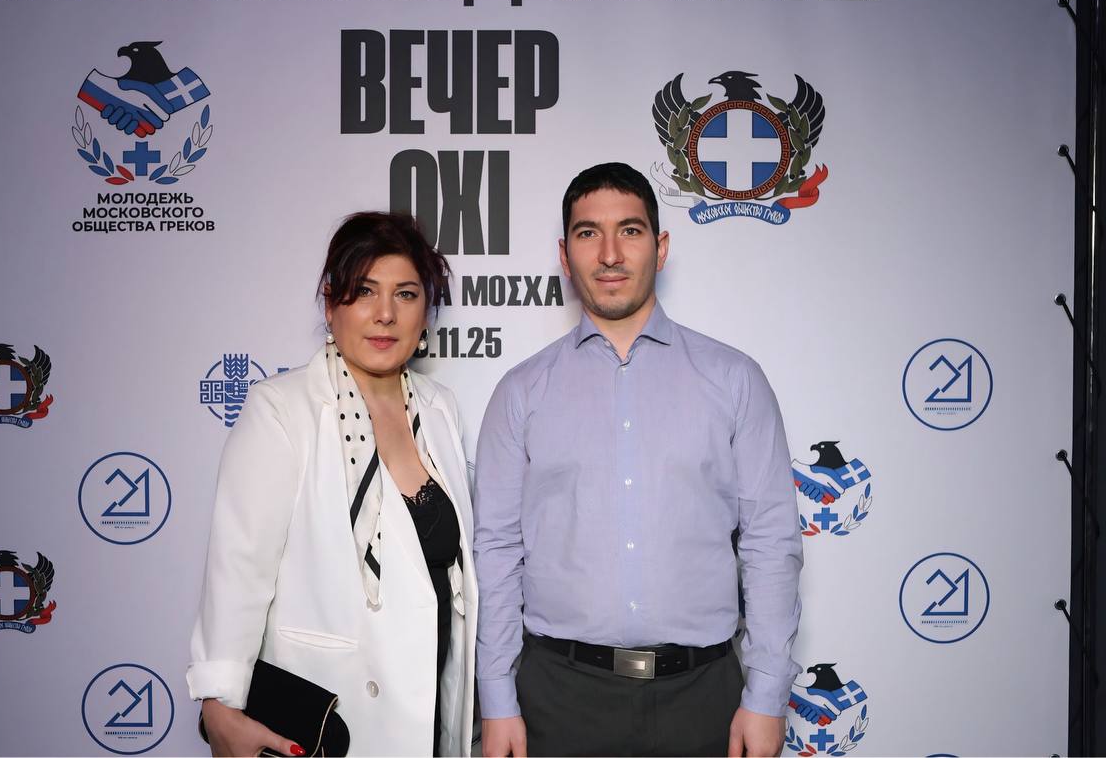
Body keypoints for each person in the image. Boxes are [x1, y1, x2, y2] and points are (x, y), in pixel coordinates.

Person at [473, 163, 803, 758]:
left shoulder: (735, 380)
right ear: (564, 254)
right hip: (558, 698)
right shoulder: (521, 393)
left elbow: (770, 542)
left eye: (629, 230)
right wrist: (496, 696)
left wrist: (768, 694)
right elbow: (496, 551)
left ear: (661, 246)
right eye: (587, 233)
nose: (609, 254)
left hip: (704, 697)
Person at [188, 211, 478, 757]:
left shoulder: (441, 409)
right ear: (330, 304)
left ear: (425, 313)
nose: (385, 313)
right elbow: (239, 567)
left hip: (431, 712)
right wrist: (220, 705)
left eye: (406, 294)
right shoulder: (282, 409)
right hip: (335, 717)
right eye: (364, 291)